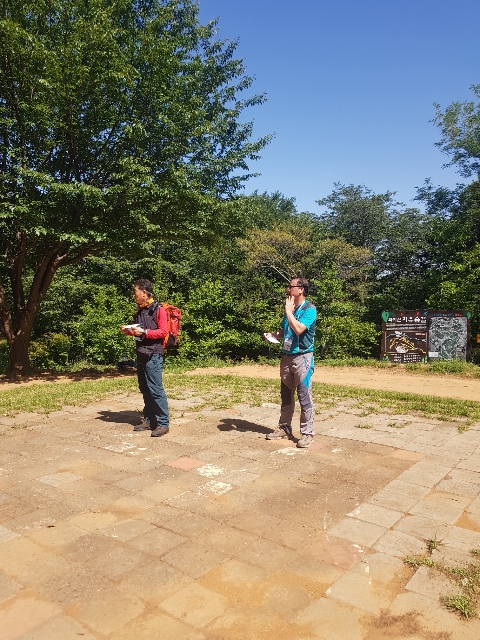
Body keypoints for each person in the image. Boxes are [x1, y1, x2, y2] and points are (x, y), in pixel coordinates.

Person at [264, 277, 317, 448]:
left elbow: (299, 329)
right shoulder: (290, 309)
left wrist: (288, 312)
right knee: (286, 395)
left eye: (290, 286)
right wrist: (273, 335)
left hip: (303, 357)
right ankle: (284, 428)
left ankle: (307, 433)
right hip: (287, 357)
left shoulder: (309, 309)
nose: (288, 290)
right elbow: (285, 331)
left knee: (304, 396)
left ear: (301, 289)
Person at [120, 279, 170, 437]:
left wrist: (145, 332)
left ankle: (163, 423)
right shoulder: (140, 310)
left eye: (135, 292)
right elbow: (140, 332)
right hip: (141, 353)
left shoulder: (159, 309)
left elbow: (163, 331)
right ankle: (149, 420)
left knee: (155, 389)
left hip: (154, 354)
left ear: (144, 292)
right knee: (145, 388)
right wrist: (130, 331)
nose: (133, 295)